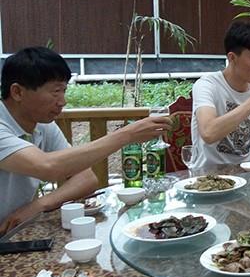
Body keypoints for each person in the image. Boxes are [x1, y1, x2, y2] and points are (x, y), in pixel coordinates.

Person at [0, 47, 170, 235]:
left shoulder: (42, 124)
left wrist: (39, 205)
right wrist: (127, 135)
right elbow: (47, 166)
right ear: (17, 92)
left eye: (64, 90)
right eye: (55, 91)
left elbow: (86, 178)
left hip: (15, 231)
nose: (62, 101)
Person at [191, 21, 250, 168]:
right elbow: (208, 133)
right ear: (232, 58)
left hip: (247, 173)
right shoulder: (207, 85)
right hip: (207, 174)